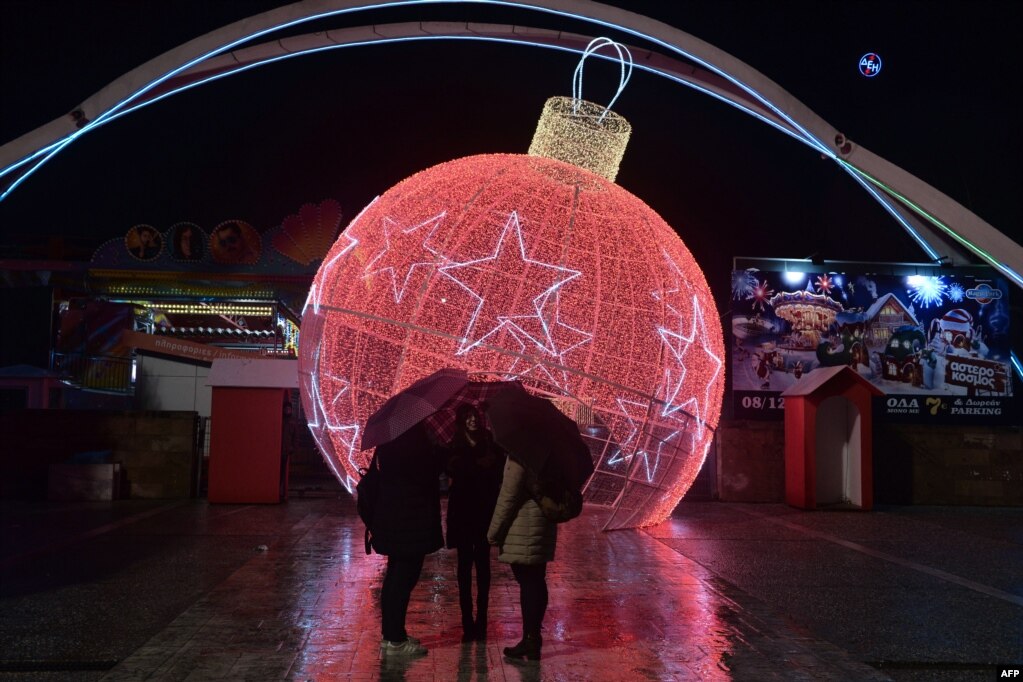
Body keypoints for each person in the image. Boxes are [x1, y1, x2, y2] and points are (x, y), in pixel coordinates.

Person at [370, 422, 444, 658]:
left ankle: (392, 635)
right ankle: (395, 639)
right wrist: (436, 452)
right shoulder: (414, 441)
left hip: (394, 519)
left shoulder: (389, 439)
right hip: (410, 520)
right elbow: (424, 475)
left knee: (394, 578)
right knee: (403, 579)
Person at [487, 451, 557, 662]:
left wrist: (494, 532)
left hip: (523, 527)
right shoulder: (551, 454)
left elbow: (508, 496)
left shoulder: (520, 454)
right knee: (536, 581)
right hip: (543, 525)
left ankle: (530, 640)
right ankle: (533, 639)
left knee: (528, 583)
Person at [444, 404, 504, 642]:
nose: (473, 420)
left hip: (484, 511)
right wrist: (475, 465)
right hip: (462, 512)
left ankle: (482, 619)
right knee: (464, 568)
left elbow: (499, 471)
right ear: (461, 421)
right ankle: (467, 621)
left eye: (475, 416)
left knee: (483, 568)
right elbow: (451, 468)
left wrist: (491, 464)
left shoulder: (490, 442)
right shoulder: (454, 444)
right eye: (468, 417)